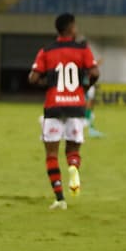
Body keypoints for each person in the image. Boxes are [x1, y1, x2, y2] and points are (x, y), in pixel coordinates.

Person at [28, 13, 99, 210]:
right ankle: (73, 168)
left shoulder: (46, 51)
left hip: (54, 106)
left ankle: (59, 198)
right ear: (71, 28)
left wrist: (48, 83)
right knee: (73, 150)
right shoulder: (83, 49)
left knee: (51, 153)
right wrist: (84, 87)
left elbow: (33, 78)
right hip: (76, 105)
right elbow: (95, 73)